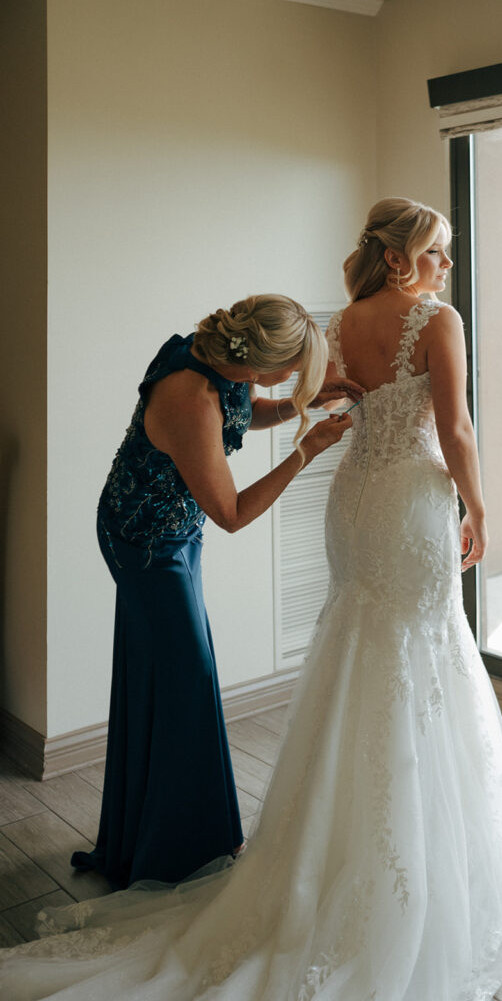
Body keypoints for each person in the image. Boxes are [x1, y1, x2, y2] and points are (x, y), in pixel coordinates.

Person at [0, 202, 502, 1000]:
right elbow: (451, 430)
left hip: (352, 504)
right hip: (299, 518)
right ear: (403, 260)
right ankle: (191, 848)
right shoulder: (432, 320)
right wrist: (479, 508)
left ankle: (204, 841)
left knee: (357, 644)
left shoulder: (338, 322)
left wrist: (311, 414)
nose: (448, 265)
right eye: (440, 252)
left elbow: (281, 404)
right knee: (387, 655)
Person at [71, 293, 360, 891]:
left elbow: (245, 409)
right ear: (257, 359)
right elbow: (230, 512)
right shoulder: (188, 396)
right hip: (144, 540)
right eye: (292, 370)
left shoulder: (218, 362)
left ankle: (152, 832)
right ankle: (179, 849)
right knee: (189, 679)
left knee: (166, 675)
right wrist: (307, 449)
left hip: (177, 526)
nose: (294, 380)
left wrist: (295, 407)